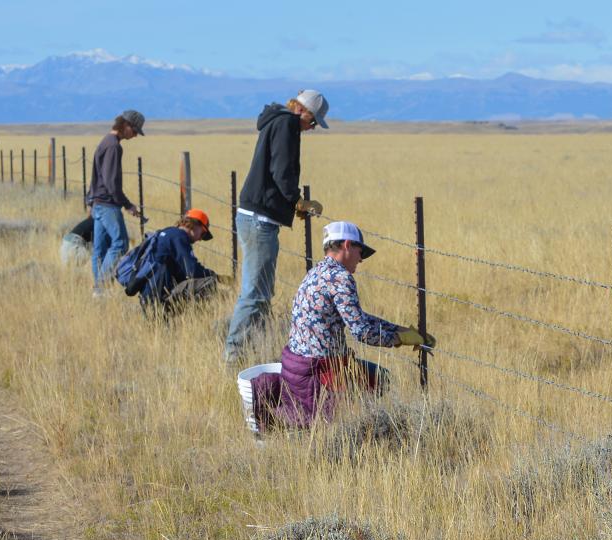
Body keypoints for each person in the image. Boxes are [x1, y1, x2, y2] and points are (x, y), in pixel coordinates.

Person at [273, 221, 433, 428]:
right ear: (347, 245)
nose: (361, 259)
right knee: (380, 379)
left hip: (297, 368)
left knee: (374, 376)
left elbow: (358, 317)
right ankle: (367, 434)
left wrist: (400, 329)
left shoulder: (316, 272)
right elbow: (362, 332)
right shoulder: (340, 277)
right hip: (319, 372)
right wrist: (399, 340)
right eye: (361, 252)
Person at [223, 90, 328, 363]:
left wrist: (292, 204)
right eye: (313, 122)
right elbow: (281, 171)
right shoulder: (287, 124)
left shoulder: (277, 121)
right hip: (260, 219)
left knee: (261, 292)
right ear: (303, 111)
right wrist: (297, 201)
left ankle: (251, 347)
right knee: (255, 294)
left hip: (258, 216)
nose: (311, 128)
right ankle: (233, 356)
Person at [86, 109, 145, 295]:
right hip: (107, 204)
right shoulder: (113, 146)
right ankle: (101, 288)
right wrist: (127, 205)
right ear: (126, 126)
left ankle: (99, 293)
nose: (134, 136)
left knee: (100, 249)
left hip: (98, 203)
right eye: (134, 131)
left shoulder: (106, 141)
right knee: (120, 244)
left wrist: (90, 201)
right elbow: (111, 182)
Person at [136, 209, 219, 316]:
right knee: (209, 282)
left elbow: (182, 272)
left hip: (147, 298)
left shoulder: (168, 232)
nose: (200, 239)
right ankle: (192, 321)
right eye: (202, 234)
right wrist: (214, 275)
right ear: (195, 225)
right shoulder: (179, 237)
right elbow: (192, 271)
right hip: (159, 299)